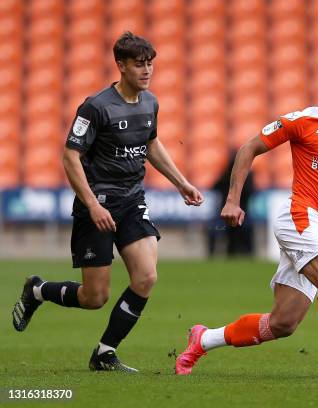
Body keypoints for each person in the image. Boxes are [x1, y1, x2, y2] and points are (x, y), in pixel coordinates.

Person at [175, 59, 318, 375]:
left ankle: (202, 340)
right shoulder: (301, 121)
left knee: (282, 323)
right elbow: (248, 148)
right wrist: (232, 200)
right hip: (298, 213)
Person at [11, 32, 203, 372]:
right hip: (96, 204)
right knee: (94, 298)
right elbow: (70, 156)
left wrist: (182, 183)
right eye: (139, 64)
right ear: (121, 66)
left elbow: (152, 145)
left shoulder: (150, 103)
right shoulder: (96, 107)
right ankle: (38, 290)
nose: (147, 71)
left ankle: (104, 353)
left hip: (131, 200)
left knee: (146, 277)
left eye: (150, 64)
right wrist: (92, 205)